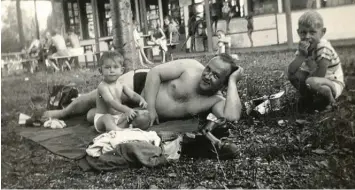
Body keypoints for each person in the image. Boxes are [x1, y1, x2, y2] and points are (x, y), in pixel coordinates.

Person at [44, 53, 244, 131]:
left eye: (216, 76)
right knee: (95, 98)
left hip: (140, 112)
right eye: (208, 69)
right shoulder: (191, 67)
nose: (207, 75)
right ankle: (62, 111)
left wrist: (234, 81)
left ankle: (78, 106)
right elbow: (155, 73)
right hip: (139, 86)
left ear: (224, 84)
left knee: (92, 116)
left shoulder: (215, 100)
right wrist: (151, 109)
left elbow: (232, 116)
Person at [287, 11, 345, 110]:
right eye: (303, 32)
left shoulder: (323, 47)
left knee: (310, 81)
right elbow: (291, 71)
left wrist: (307, 83)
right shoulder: (304, 46)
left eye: (312, 32)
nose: (307, 36)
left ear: (322, 32)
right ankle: (308, 98)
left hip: (333, 83)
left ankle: (330, 101)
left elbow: (321, 73)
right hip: (315, 80)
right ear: (298, 32)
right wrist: (301, 55)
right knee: (294, 74)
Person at [94, 51, 148, 133]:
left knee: (143, 115)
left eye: (115, 67)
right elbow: (111, 102)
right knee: (107, 117)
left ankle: (122, 129)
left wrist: (141, 99)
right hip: (102, 120)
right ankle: (115, 129)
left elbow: (132, 95)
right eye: (107, 67)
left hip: (119, 117)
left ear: (121, 70)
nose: (111, 70)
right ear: (100, 70)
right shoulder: (102, 86)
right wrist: (127, 109)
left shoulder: (121, 84)